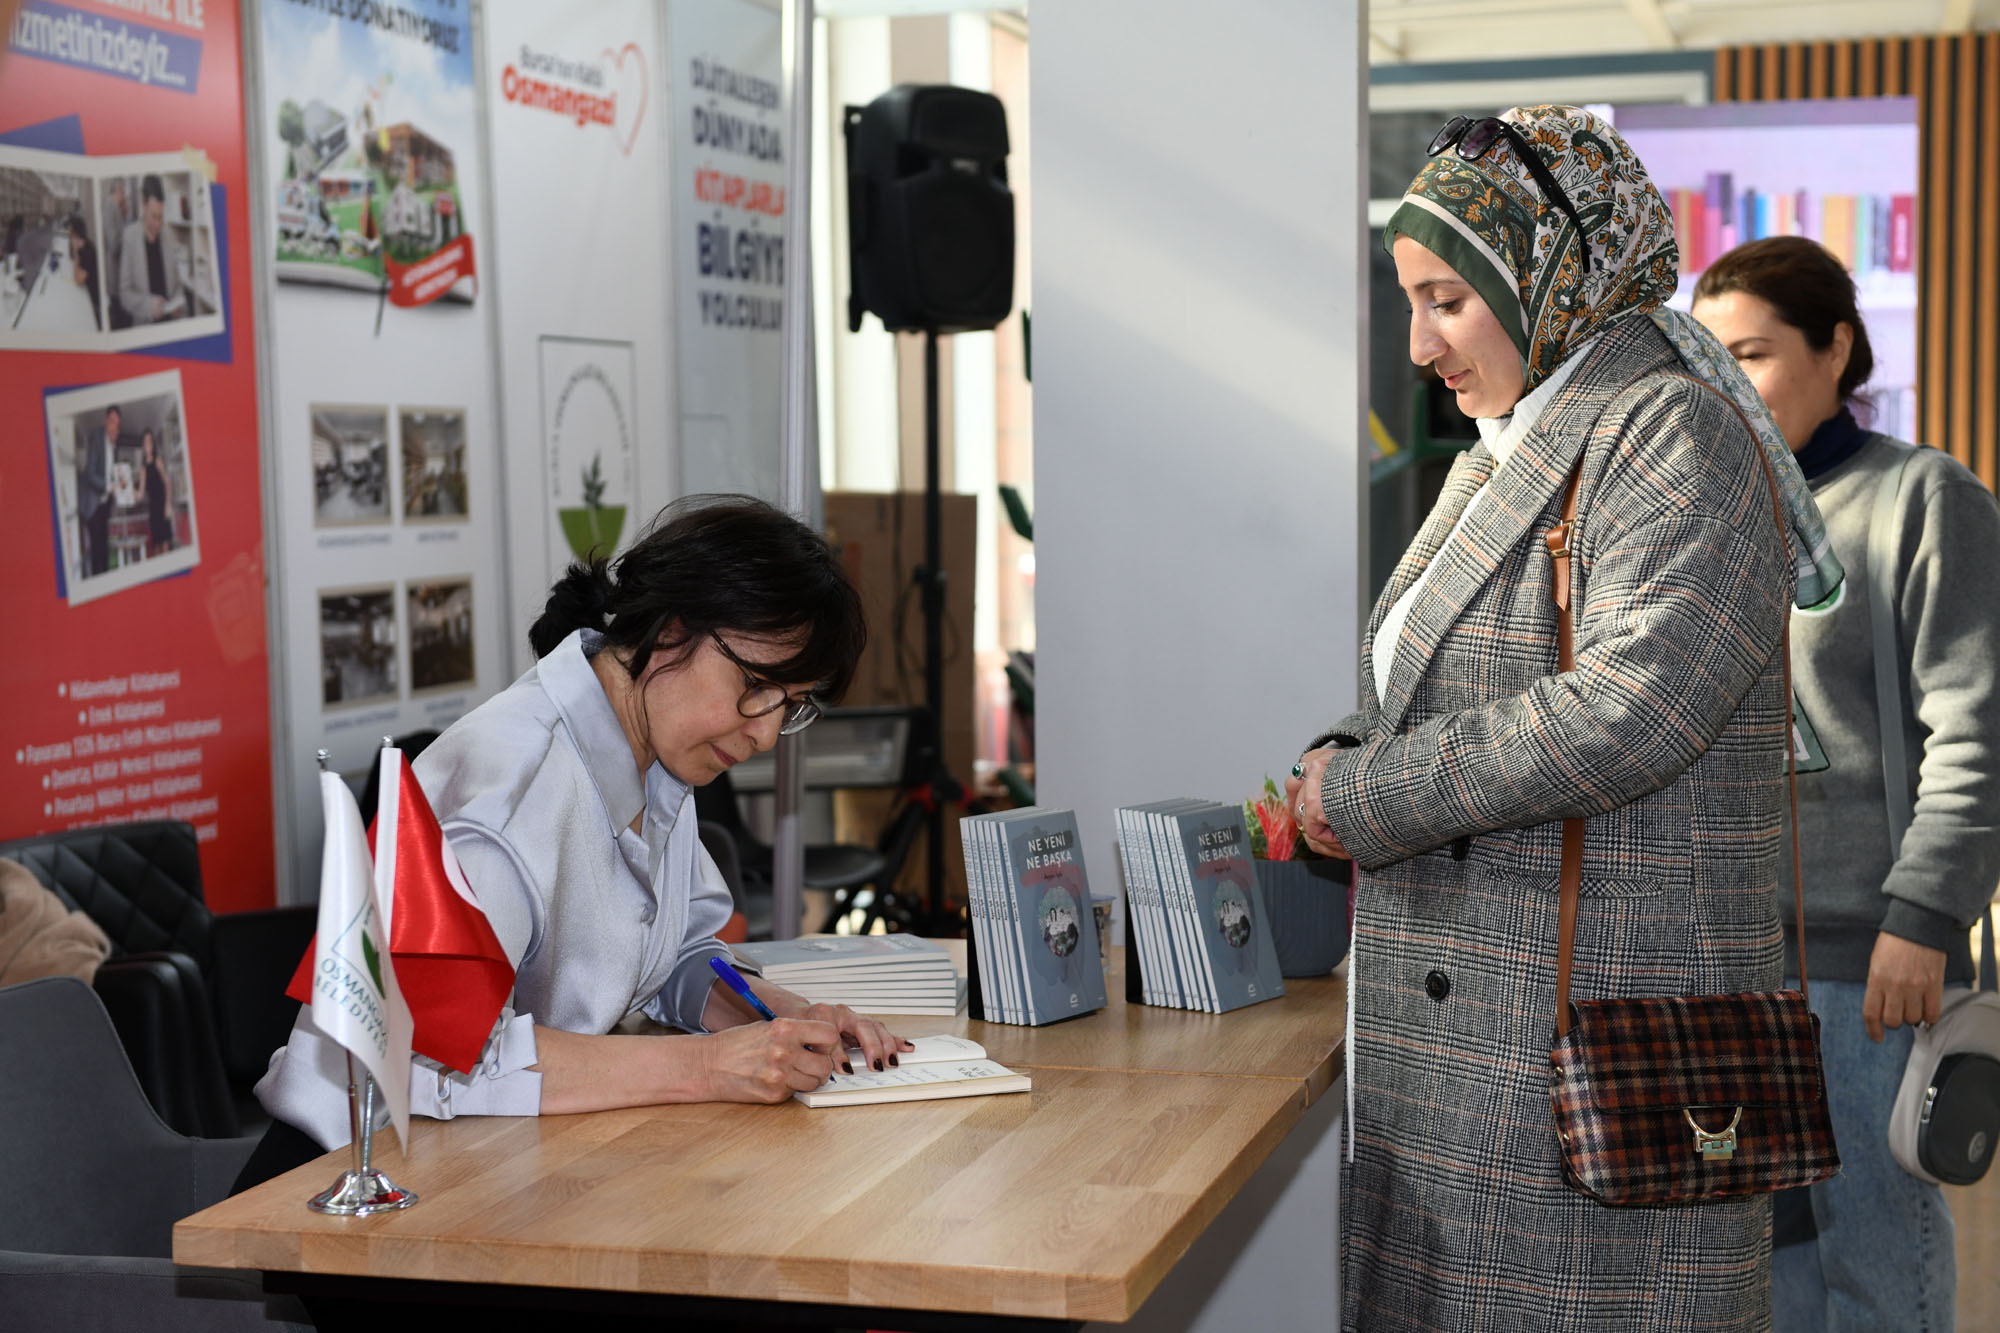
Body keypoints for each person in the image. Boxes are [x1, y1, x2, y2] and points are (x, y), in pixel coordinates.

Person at [1282, 106, 1844, 1330]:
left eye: (1446, 299)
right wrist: (1342, 752)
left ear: (1548, 274)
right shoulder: (1508, 441)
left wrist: (1367, 796)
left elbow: (1628, 708)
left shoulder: (1665, 428)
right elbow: (1450, 680)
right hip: (1494, 1037)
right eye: (1410, 299)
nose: (1419, 341)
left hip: (1583, 1043)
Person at [241, 496, 909, 1188]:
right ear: (674, 629)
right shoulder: (511, 783)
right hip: (339, 1191)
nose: (767, 733)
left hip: (479, 1171)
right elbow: (427, 1055)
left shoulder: (658, 753)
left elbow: (674, 957)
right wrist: (710, 1066)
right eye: (757, 686)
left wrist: (775, 1015)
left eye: (791, 705)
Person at [1693, 236, 2000, 1332]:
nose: (1727, 382)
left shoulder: (1920, 498)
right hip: (1728, 963)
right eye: (1709, 357)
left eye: (1754, 352)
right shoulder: (1709, 522)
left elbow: (1975, 733)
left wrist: (1921, 918)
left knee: (1873, 1262)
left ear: (1835, 348)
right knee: (1764, 1276)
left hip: (1868, 968)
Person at [118, 174, 186, 326]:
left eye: (161, 217)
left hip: (171, 325)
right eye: (154, 216)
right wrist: (149, 306)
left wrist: (179, 303)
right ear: (143, 205)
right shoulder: (130, 237)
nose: (158, 224)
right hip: (146, 326)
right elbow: (124, 294)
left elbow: (177, 285)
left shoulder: (168, 235)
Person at [76, 404, 118, 577]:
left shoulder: (113, 446)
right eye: (113, 421)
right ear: (106, 421)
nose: (115, 427)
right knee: (96, 552)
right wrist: (109, 486)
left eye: (118, 424)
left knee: (104, 548)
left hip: (105, 505)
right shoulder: (96, 437)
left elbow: (111, 475)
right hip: (93, 505)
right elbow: (89, 473)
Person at [140, 429, 172, 556]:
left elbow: (167, 482)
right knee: (156, 546)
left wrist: (168, 505)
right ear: (143, 445)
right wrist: (126, 494)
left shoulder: (158, 460)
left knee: (165, 545)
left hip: (162, 505)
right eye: (145, 441)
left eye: (150, 440)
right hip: (152, 509)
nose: (148, 443)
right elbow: (141, 494)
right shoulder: (143, 468)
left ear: (152, 444)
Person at [66, 215, 99, 331]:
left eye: (70, 233)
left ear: (75, 233)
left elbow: (78, 279)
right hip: (89, 294)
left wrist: (75, 252)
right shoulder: (85, 245)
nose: (69, 237)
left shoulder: (86, 250)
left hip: (94, 304)